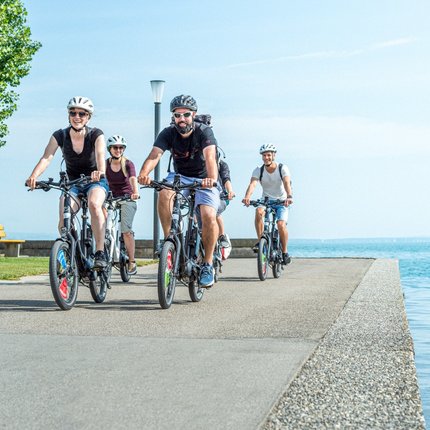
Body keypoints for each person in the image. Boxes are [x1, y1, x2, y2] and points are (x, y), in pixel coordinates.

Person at [138, 94, 220, 288]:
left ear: (194, 115)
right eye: (177, 115)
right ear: (173, 117)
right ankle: (170, 240)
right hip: (179, 176)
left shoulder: (204, 132)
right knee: (164, 193)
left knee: (208, 215)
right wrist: (143, 173)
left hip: (203, 178)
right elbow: (154, 155)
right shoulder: (168, 133)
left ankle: (207, 263)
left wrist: (212, 179)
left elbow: (210, 156)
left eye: (186, 115)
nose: (181, 119)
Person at [26, 96, 109, 268]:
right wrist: (33, 176)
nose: (77, 117)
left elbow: (101, 156)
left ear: (88, 117)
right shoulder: (60, 135)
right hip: (72, 183)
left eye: (82, 114)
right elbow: (46, 158)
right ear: (68, 115)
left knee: (94, 204)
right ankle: (74, 248)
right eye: (73, 113)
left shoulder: (96, 134)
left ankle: (100, 252)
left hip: (95, 181)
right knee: (64, 218)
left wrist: (99, 172)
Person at [242, 143, 293, 265]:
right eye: (264, 155)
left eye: (269, 155)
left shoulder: (282, 168)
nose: (266, 158)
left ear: (273, 155)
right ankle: (261, 242)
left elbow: (286, 183)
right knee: (259, 212)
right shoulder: (258, 170)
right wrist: (247, 197)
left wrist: (289, 196)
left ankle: (285, 252)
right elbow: (253, 184)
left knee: (281, 225)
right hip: (266, 200)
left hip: (282, 201)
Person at [105, 135, 139, 275]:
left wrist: (135, 192)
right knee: (102, 226)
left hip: (127, 198)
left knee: (126, 230)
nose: (118, 150)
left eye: (120, 147)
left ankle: (131, 262)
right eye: (115, 147)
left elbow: (132, 178)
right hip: (110, 198)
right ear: (110, 149)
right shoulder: (104, 164)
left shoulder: (128, 164)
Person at [217, 156, 235, 259]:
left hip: (221, 195)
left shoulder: (222, 165)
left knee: (215, 211)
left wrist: (230, 191)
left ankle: (222, 236)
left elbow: (226, 178)